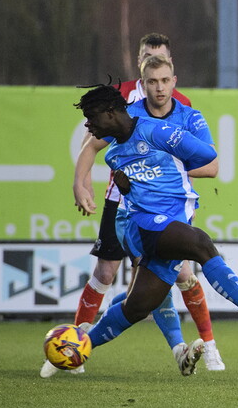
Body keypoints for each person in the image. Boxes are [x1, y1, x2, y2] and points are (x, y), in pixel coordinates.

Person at [69, 82, 238, 376]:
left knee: (135, 308)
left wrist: (171, 162)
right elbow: (135, 195)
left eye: (91, 117)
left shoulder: (158, 132)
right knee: (201, 244)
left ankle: (79, 348)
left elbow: (207, 158)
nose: (88, 125)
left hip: (171, 223)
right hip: (145, 227)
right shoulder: (113, 155)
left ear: (110, 112)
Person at [41, 33, 223, 378]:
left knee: (178, 274)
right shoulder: (122, 102)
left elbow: (210, 164)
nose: (157, 82)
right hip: (122, 203)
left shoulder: (183, 107)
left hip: (166, 206)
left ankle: (205, 345)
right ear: (141, 66)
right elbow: (91, 142)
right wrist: (79, 182)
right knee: (107, 273)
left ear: (171, 71)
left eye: (161, 65)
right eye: (147, 60)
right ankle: (74, 345)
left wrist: (170, 172)